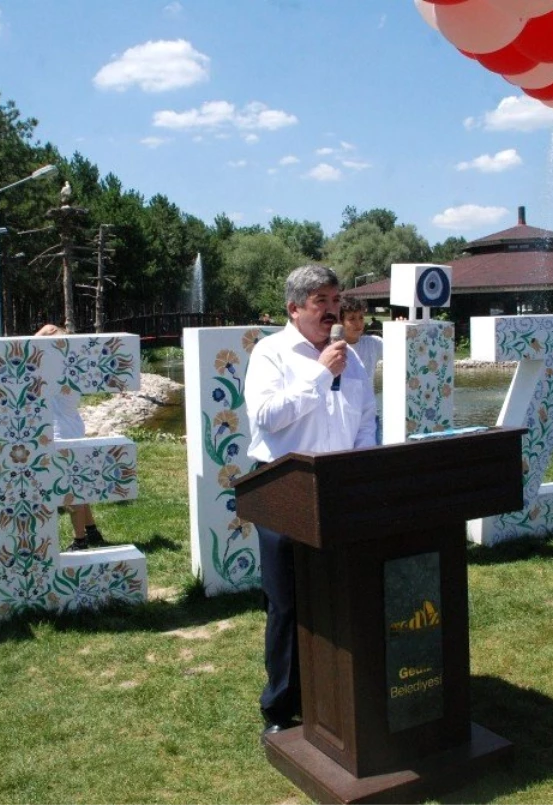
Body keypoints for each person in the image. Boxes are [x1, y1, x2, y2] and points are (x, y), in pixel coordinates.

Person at [245, 265, 377, 738]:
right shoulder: (271, 353)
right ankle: (280, 707)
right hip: (283, 488)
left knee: (341, 591)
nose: (332, 309)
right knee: (287, 601)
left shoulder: (351, 357)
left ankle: (340, 689)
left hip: (339, 485)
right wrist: (320, 377)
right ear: (294, 308)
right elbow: (266, 417)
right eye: (320, 300)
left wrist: (359, 467)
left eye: (335, 299)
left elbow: (366, 416)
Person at [34, 324, 106, 550]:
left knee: (68, 487)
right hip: (73, 427)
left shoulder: (54, 371)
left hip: (60, 432)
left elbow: (29, 343)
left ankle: (79, 540)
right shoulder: (74, 367)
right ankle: (92, 531)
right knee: (79, 483)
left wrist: (44, 334)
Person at [339, 295, 383, 443]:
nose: (358, 323)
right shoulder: (333, 348)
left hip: (369, 418)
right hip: (343, 419)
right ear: (340, 322)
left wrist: (403, 328)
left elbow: (401, 349)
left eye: (361, 317)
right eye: (351, 319)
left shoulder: (373, 344)